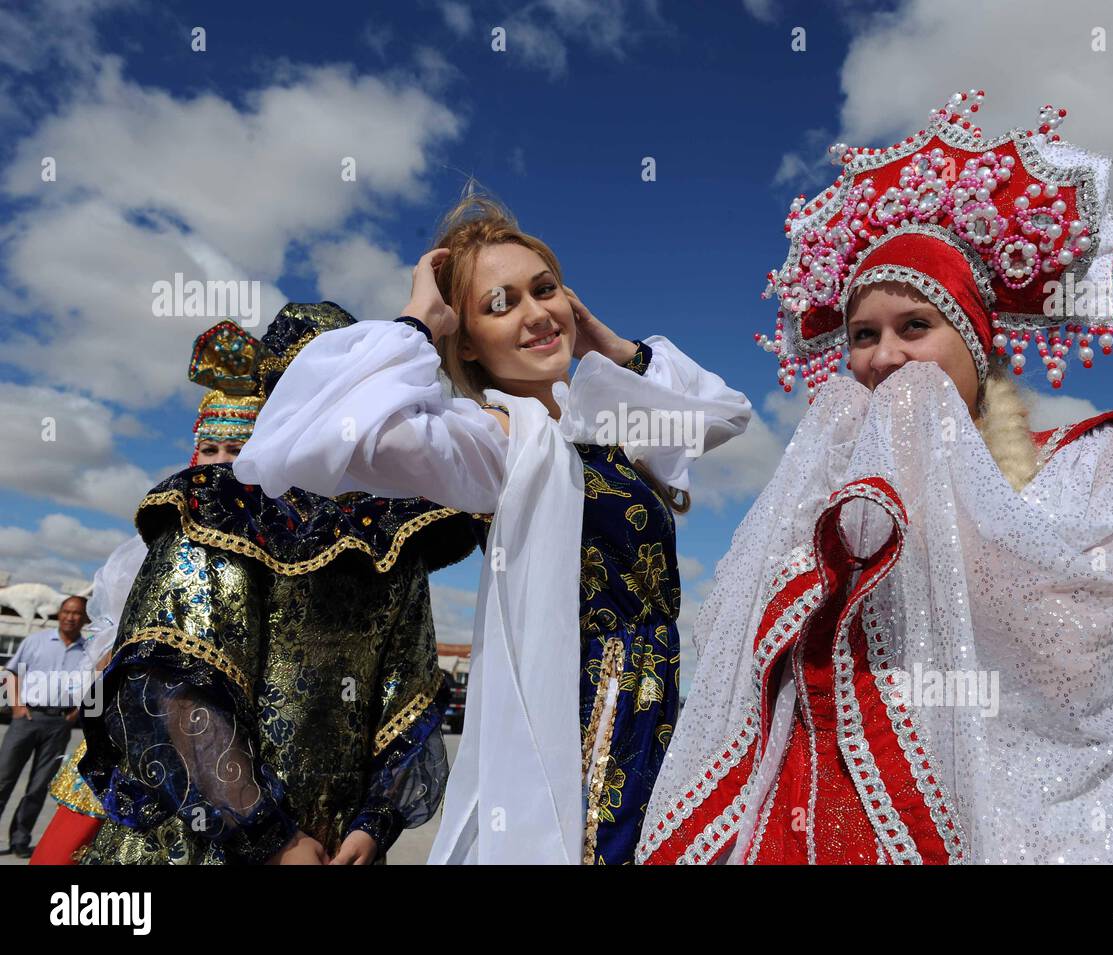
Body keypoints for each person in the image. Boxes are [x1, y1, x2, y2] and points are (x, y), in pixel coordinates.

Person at [639, 89, 1113, 865]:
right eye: (862, 334)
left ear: (975, 344)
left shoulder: (1091, 465)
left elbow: (1082, 645)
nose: (881, 357)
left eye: (915, 327)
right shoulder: (825, 486)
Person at [234, 194, 752, 864]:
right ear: (468, 341)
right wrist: (419, 320)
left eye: (546, 290)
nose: (537, 314)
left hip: (656, 714)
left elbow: (725, 414)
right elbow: (335, 436)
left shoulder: (606, 423)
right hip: (579, 725)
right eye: (501, 303)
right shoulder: (497, 436)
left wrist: (610, 346)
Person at [78, 302, 480, 864]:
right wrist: (269, 836)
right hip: (212, 842)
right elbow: (175, 688)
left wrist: (373, 824)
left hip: (340, 847)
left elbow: (408, 700)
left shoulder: (395, 539)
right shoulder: (219, 511)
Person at [30, 320, 263, 865]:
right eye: (210, 448)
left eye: (237, 449)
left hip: (235, 743)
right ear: (193, 456)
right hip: (135, 728)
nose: (221, 461)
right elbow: (110, 624)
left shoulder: (282, 545)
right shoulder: (151, 540)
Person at [0, 596, 93, 858]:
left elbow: (92, 686)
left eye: (76, 613)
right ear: (59, 614)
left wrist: (75, 714)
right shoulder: (35, 641)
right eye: (65, 611)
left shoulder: (88, 651)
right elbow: (12, 674)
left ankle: (20, 839)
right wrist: (18, 707)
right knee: (3, 778)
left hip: (59, 725)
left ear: (84, 618)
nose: (70, 617)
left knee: (38, 786)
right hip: (26, 719)